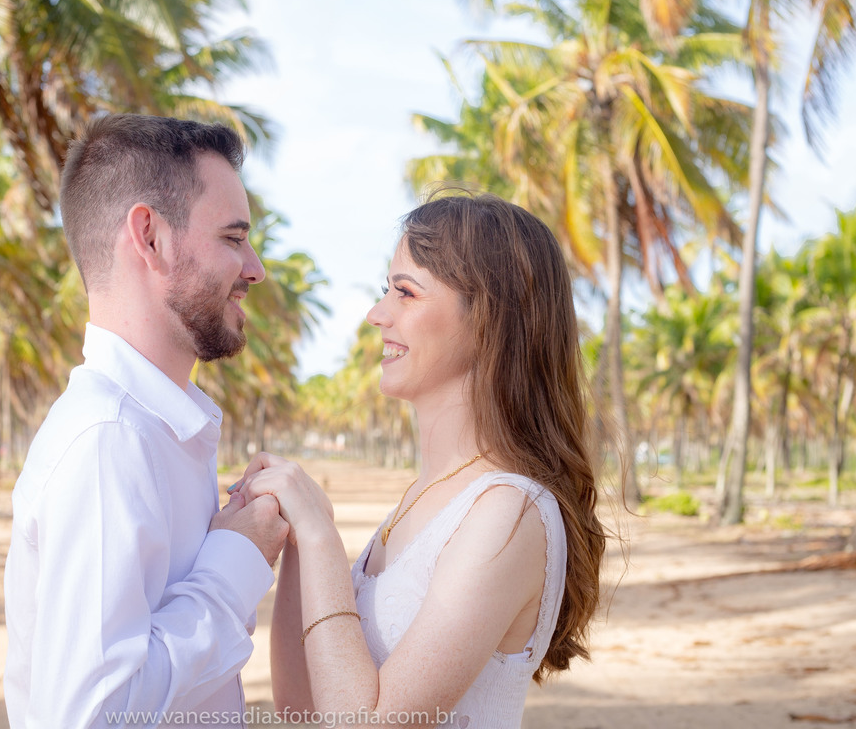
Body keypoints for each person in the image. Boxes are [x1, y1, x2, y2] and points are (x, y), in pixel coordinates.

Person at [231, 193, 609, 727]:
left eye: (405, 293)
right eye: (385, 290)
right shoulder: (422, 500)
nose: (376, 314)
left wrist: (320, 539)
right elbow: (302, 710)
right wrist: (299, 535)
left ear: (487, 320)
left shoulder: (512, 511)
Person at [3, 114, 290, 729]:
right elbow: (93, 716)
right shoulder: (110, 440)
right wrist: (235, 562)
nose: (255, 268)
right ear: (151, 236)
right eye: (234, 238)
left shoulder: (153, 431)